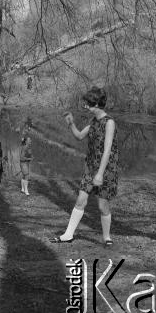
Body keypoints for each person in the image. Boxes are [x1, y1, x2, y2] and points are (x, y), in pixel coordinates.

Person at [51, 86, 118, 246]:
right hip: (91, 167)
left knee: (103, 206)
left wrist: (100, 174)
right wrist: (71, 123)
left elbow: (108, 150)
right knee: (81, 200)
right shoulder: (94, 122)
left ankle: (106, 237)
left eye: (88, 104)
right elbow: (80, 136)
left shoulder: (109, 122)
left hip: (106, 169)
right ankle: (68, 235)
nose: (85, 106)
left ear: (96, 104)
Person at [19, 127, 33, 195]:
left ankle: (22, 189)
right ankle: (26, 191)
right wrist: (29, 159)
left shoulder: (27, 147)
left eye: (30, 140)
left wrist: (31, 157)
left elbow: (28, 154)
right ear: (26, 141)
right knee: (27, 176)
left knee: (24, 175)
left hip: (26, 163)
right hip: (23, 163)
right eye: (29, 140)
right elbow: (21, 158)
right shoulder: (25, 147)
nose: (31, 141)